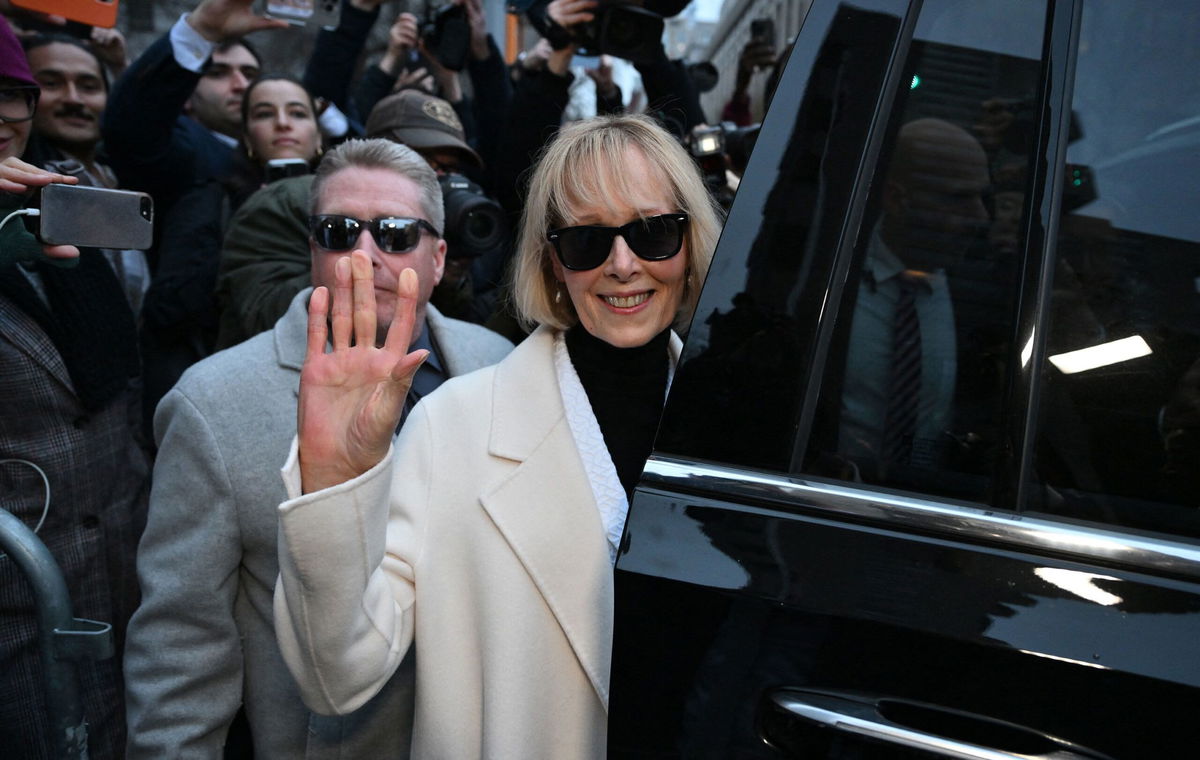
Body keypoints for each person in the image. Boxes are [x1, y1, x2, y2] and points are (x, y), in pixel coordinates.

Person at [272, 113, 720, 758]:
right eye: (588, 242)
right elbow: (336, 678)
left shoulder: (738, 427)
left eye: (653, 233)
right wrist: (332, 476)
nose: (622, 265)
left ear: (690, 242)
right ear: (553, 261)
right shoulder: (453, 426)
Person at [123, 138, 513, 758]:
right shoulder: (213, 402)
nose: (364, 254)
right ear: (312, 251)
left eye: (394, 233)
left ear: (438, 257)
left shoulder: (497, 366)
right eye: (338, 231)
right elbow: (181, 644)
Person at [0, 18, 150, 759]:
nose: (3, 117)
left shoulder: (63, 209)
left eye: (13, 96)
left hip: (114, 590)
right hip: (16, 611)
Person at [140, 74, 324, 427]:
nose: (283, 123)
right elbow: (168, 309)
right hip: (246, 396)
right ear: (247, 137)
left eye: (298, 113)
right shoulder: (211, 201)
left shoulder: (356, 203)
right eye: (265, 113)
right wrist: (254, 227)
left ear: (318, 136)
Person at [100, 0, 286, 261]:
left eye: (250, 73)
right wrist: (201, 32)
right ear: (186, 94)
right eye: (218, 73)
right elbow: (131, 126)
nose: (240, 85)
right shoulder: (184, 149)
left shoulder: (285, 148)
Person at [21, 33, 151, 315]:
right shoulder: (24, 192)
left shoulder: (118, 176)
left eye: (89, 86)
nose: (73, 99)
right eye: (51, 83)